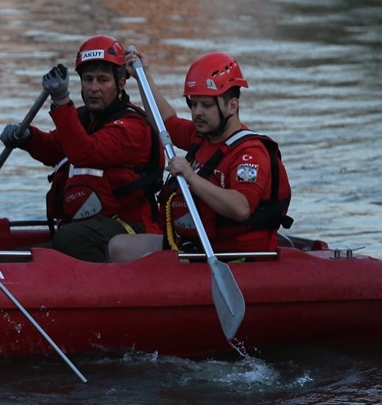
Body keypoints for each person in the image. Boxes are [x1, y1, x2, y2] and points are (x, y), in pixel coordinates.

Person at [107, 50, 292, 262]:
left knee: (150, 260)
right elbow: (164, 121)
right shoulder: (202, 136)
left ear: (232, 106)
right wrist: (144, 77)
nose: (197, 113)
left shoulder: (250, 153)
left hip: (233, 257)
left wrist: (191, 178)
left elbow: (241, 208)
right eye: (193, 104)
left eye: (206, 105)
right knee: (117, 246)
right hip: (195, 246)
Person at [0, 35, 164, 262]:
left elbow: (84, 152)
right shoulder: (85, 118)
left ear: (121, 83)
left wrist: (61, 100)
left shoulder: (132, 127)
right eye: (88, 80)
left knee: (70, 237)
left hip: (129, 230)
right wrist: (28, 138)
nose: (93, 88)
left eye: (102, 80)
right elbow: (54, 148)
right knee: (24, 254)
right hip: (89, 229)